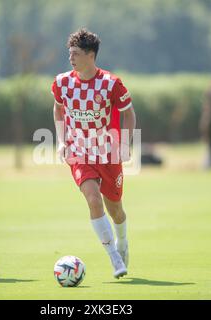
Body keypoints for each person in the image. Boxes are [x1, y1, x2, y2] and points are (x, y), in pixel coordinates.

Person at [51, 28, 136, 278]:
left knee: (115, 209)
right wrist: (61, 141)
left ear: (90, 55)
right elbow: (58, 109)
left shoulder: (111, 83)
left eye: (75, 53)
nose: (71, 58)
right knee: (93, 199)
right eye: (70, 53)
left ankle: (122, 242)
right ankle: (114, 259)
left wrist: (125, 144)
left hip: (109, 154)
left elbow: (129, 114)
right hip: (79, 152)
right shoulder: (62, 82)